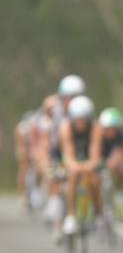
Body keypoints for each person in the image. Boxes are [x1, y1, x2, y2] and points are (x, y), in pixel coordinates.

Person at [41, 75, 86, 241]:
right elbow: (47, 133)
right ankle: (57, 221)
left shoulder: (84, 110)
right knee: (55, 180)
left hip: (78, 149)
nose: (71, 101)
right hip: (58, 150)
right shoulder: (56, 110)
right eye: (68, 97)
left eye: (75, 97)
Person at [60, 95, 104, 235]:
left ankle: (98, 214)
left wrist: (91, 165)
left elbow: (95, 152)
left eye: (83, 120)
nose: (79, 124)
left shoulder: (96, 128)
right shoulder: (65, 127)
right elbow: (68, 153)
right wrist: (73, 165)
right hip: (73, 159)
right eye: (76, 120)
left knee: (94, 179)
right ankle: (71, 216)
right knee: (72, 175)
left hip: (89, 158)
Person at [98, 107, 123, 204]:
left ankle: (119, 190)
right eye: (109, 129)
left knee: (122, 167)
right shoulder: (97, 135)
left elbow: (119, 153)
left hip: (111, 158)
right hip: (98, 158)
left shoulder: (120, 136)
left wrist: (113, 163)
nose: (112, 132)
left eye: (114, 129)